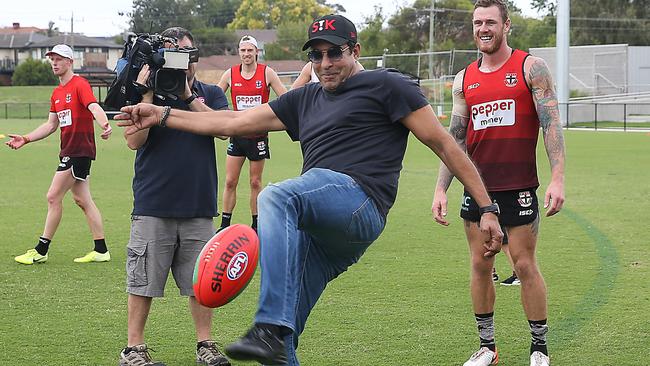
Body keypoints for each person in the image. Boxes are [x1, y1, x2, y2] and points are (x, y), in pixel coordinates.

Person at [116, 14, 503, 366]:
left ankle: (267, 325)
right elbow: (233, 122)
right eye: (316, 56)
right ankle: (276, 334)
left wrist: (487, 208)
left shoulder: (386, 85)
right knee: (283, 347)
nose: (325, 63)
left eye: (334, 53)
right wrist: (162, 113)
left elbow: (446, 144)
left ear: (355, 50)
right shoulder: (304, 98)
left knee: (277, 195)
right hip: (319, 229)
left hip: (360, 203)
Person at [431, 1, 565, 366]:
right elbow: (454, 140)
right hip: (477, 188)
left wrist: (557, 177)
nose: (483, 28)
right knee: (480, 264)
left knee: (523, 264)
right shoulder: (464, 78)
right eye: (477, 22)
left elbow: (551, 123)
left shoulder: (530, 67)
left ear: (507, 25)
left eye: (490, 21)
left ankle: (539, 348)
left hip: (519, 185)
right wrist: (442, 187)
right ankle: (487, 347)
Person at [118, 27, 231, 366]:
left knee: (202, 283)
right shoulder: (146, 95)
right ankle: (133, 350)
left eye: (186, 54)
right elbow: (133, 142)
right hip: (154, 204)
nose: (181, 61)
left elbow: (224, 129)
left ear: (194, 56)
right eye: (173, 53)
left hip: (198, 206)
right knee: (143, 282)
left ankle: (205, 345)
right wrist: (149, 94)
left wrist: (186, 96)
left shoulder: (209, 93)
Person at [7, 44, 113, 265]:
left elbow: (93, 106)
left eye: (59, 59)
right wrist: (25, 139)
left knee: (53, 196)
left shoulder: (79, 85)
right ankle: (101, 250)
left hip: (78, 151)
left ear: (70, 62)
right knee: (83, 199)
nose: (54, 63)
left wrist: (104, 124)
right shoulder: (56, 93)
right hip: (70, 150)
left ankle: (41, 249)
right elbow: (50, 125)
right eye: (52, 59)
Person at [216, 35, 287, 232]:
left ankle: (256, 226)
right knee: (230, 181)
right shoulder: (230, 74)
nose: (246, 54)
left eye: (250, 50)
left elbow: (286, 98)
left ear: (257, 52)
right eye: (243, 50)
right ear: (239, 53)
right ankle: (224, 225)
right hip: (237, 135)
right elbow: (215, 96)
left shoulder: (267, 73)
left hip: (258, 137)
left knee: (255, 182)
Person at [291, 60, 364, 89]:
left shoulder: (357, 69)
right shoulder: (310, 67)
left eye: (335, 53)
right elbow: (288, 100)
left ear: (355, 52)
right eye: (317, 54)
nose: (325, 64)